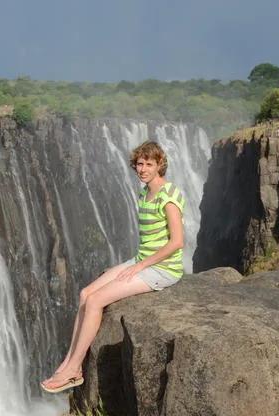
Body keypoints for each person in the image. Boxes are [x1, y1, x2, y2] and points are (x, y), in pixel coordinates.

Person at [41, 140, 185, 393]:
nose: (143, 169)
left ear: (160, 165)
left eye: (149, 164)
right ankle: (67, 362)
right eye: (139, 164)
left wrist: (141, 267)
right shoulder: (144, 193)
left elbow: (177, 242)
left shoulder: (169, 196)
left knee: (96, 300)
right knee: (85, 293)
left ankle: (75, 370)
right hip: (143, 259)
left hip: (163, 269)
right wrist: (135, 263)